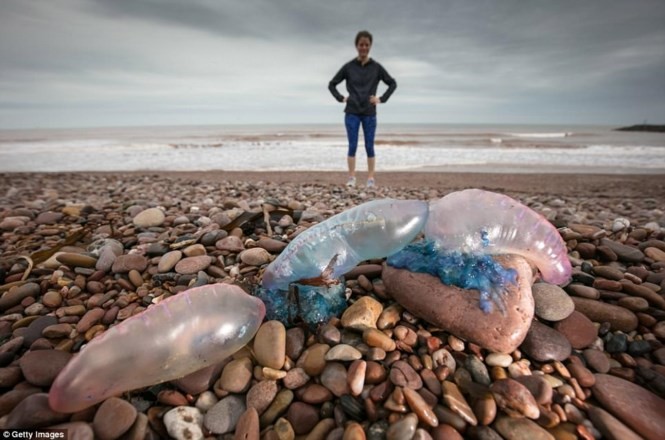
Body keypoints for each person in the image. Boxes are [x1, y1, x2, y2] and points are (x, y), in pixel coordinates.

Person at [328, 30, 397, 188]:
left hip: (369, 112)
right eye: (361, 45)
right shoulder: (349, 67)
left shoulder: (376, 68)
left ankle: (370, 179)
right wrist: (341, 98)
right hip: (351, 112)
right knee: (352, 145)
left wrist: (381, 99)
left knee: (369, 146)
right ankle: (351, 178)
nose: (364, 47)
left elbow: (392, 83)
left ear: (370, 46)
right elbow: (332, 84)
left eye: (366, 45)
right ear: (356, 46)